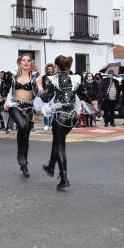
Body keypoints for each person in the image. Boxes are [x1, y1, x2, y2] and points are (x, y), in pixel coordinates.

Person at [36, 55, 89, 190]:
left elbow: (46, 98)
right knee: (58, 141)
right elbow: (85, 94)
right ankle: (51, 166)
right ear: (68, 67)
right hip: (73, 116)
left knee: (60, 145)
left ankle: (64, 178)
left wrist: (39, 86)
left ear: (56, 66)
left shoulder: (51, 79)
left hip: (60, 116)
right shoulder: (76, 78)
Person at [4, 54, 35, 178]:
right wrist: (7, 101)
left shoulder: (35, 77)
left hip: (28, 107)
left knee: (26, 136)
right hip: (15, 105)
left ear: (31, 63)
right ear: (20, 62)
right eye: (23, 60)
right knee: (21, 126)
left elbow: (38, 93)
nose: (26, 62)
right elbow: (10, 91)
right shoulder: (13, 76)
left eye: (28, 60)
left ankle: (24, 165)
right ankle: (20, 154)